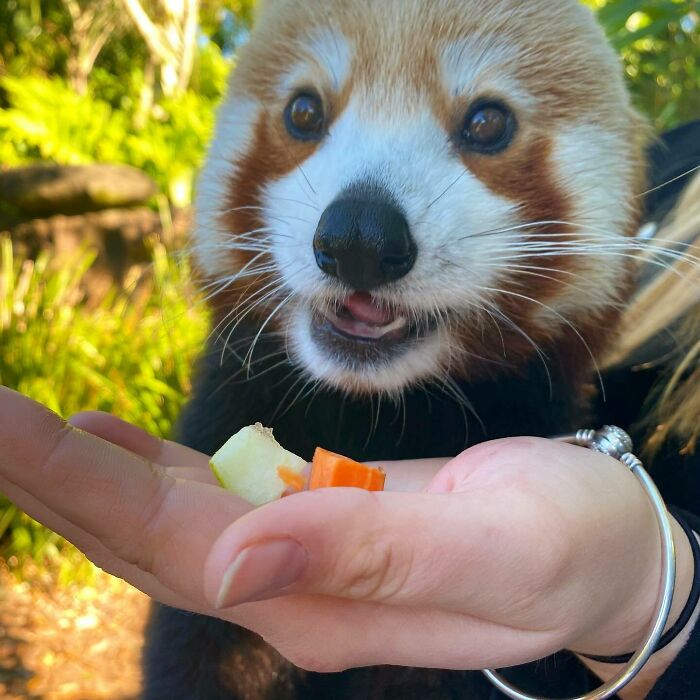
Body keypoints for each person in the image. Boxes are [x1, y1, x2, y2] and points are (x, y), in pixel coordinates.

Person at [1, 155, 699, 699]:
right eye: (307, 116)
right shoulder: (678, 162)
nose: (352, 235)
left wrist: (652, 601)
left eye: (485, 129)